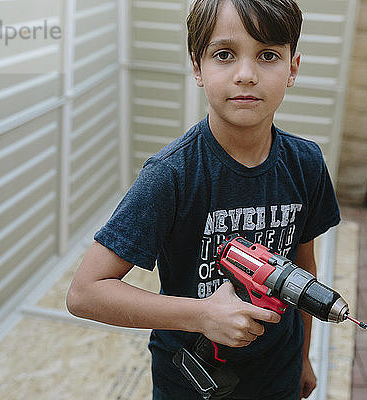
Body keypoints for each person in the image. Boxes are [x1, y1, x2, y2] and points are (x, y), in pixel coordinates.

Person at [66, 0, 340, 398]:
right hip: (193, 381)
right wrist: (202, 315)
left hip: (277, 371)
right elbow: (85, 292)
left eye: (267, 55)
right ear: (197, 67)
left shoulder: (306, 163)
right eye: (224, 55)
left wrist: (303, 357)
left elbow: (303, 266)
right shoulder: (172, 175)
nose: (246, 75)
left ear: (292, 68)